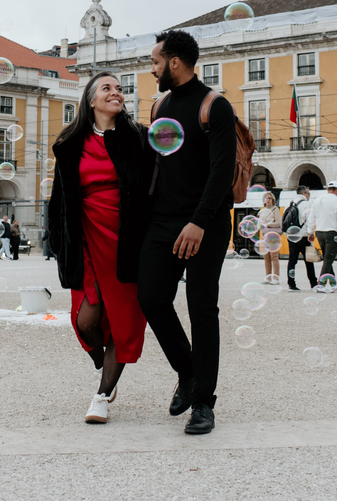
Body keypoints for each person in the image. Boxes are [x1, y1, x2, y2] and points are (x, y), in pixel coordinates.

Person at [137, 30, 237, 436]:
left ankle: (204, 404)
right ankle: (187, 371)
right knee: (151, 298)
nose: (153, 68)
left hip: (207, 223)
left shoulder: (215, 106)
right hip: (163, 221)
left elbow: (221, 172)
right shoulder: (160, 104)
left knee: (201, 308)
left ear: (174, 61)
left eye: (156, 61)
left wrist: (197, 222)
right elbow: (155, 164)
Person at [47, 71, 148, 424]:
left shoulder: (139, 139)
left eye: (119, 89)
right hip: (86, 236)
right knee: (85, 320)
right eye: (107, 88)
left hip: (127, 239)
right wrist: (57, 240)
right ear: (91, 100)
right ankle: (104, 361)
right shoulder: (71, 143)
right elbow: (58, 199)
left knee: (123, 321)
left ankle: (102, 396)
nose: (116, 92)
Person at [309, 183, 337, 291]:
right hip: (332, 233)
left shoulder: (317, 200)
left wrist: (310, 232)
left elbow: (311, 217)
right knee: (328, 260)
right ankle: (321, 285)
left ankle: (333, 284)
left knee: (327, 258)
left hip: (319, 233)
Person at [285, 186, 317, 291]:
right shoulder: (308, 204)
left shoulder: (289, 204)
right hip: (303, 237)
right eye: (308, 193)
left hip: (292, 237)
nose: (309, 196)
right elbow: (310, 221)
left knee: (292, 261)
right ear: (304, 193)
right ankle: (313, 284)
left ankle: (291, 284)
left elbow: (285, 221)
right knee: (309, 261)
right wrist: (311, 233)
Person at [257, 192, 282, 284]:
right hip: (264, 236)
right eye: (267, 198)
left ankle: (276, 278)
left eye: (270, 198)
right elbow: (259, 224)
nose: (268, 200)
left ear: (273, 200)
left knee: (274, 257)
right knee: (266, 257)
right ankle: (268, 277)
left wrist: (267, 224)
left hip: (273, 236)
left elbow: (279, 223)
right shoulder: (262, 210)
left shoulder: (275, 209)